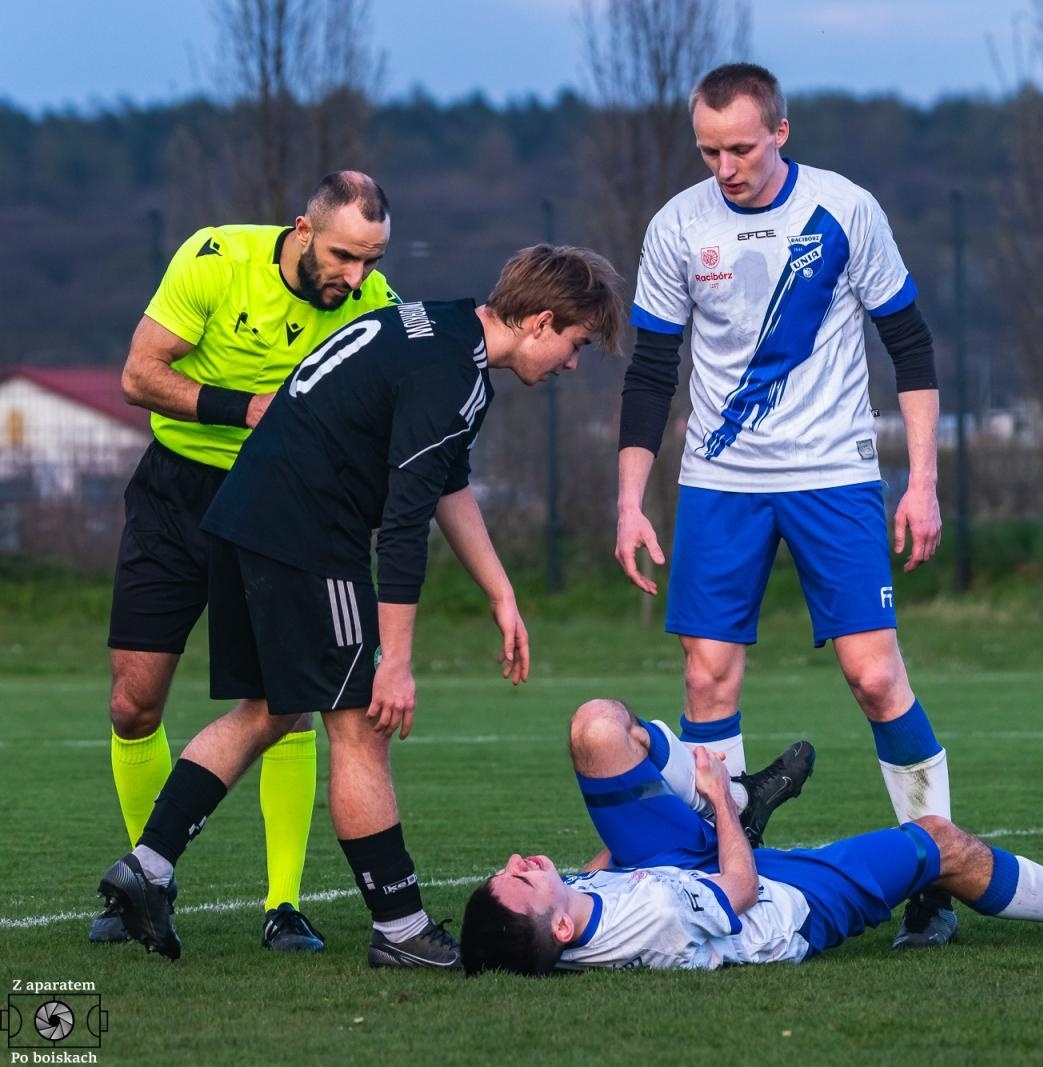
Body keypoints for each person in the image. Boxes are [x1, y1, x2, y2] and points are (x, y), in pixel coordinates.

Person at [94, 245, 629, 968]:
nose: (572, 363)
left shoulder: (436, 328)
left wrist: (501, 593)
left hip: (244, 516)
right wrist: (397, 662)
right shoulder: (453, 376)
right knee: (361, 727)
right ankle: (403, 929)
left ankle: (147, 867)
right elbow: (405, 525)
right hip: (307, 538)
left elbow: (445, 484)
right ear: (540, 321)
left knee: (269, 711)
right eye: (577, 344)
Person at [613, 62, 958, 949]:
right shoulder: (677, 226)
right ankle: (717, 875)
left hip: (834, 474)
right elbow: (652, 372)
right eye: (708, 149)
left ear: (781, 132)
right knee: (705, 676)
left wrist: (921, 482)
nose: (724, 166)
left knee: (875, 675)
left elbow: (909, 346)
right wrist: (630, 499)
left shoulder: (846, 210)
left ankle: (936, 873)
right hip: (719, 482)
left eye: (740, 147)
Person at [99, 171, 398, 952]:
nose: (355, 277)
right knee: (133, 704)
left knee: (285, 700)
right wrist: (248, 409)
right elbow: (139, 375)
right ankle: (146, 881)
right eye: (342, 256)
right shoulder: (215, 258)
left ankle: (284, 903)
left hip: (282, 509)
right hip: (177, 495)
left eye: (370, 260)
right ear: (302, 229)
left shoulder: (374, 305)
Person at [459, 699, 1043, 975]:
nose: (521, 860)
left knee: (598, 727)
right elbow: (738, 890)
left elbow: (601, 875)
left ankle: (736, 798)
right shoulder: (652, 920)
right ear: (553, 919)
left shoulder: (571, 914)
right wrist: (717, 806)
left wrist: (648, 808)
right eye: (522, 875)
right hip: (783, 902)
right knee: (937, 842)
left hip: (675, 864)